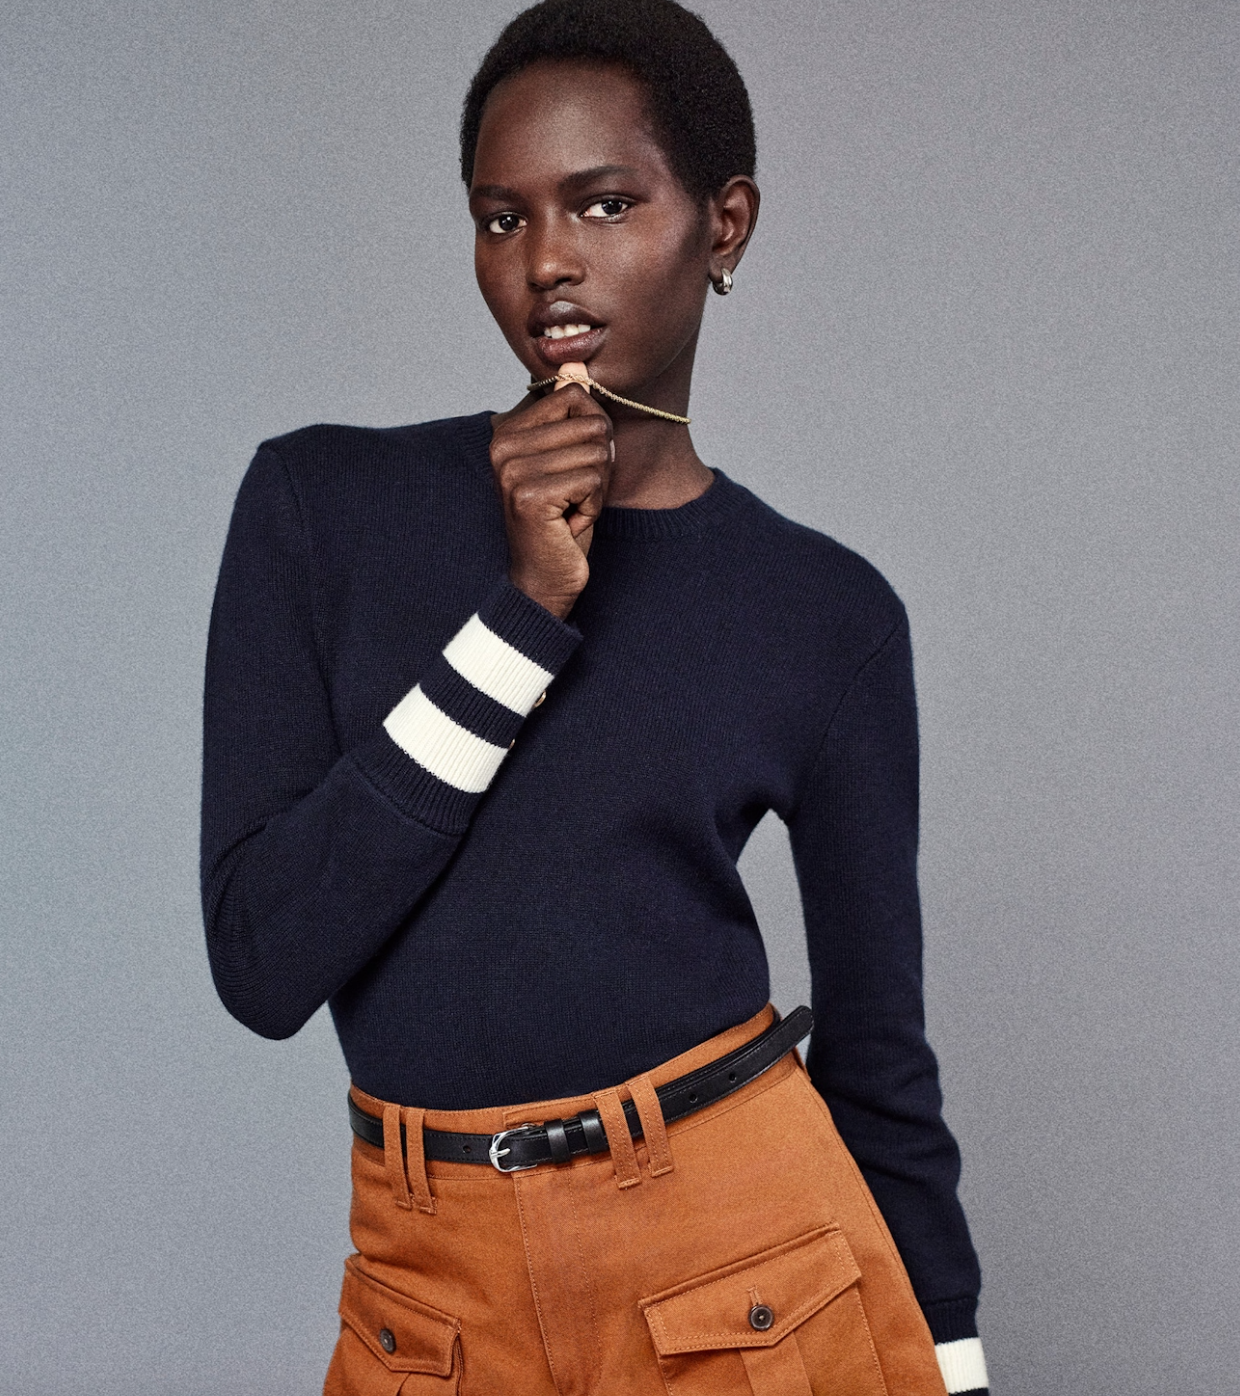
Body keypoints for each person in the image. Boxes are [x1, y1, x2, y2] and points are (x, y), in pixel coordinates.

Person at [200, 1, 989, 1392]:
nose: (550, 262)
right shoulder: (321, 508)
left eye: (605, 203)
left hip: (748, 1276)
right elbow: (264, 965)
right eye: (502, 218)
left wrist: (958, 1364)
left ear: (723, 225)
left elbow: (881, 1061)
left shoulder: (825, 613)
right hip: (428, 1301)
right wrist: (523, 616)